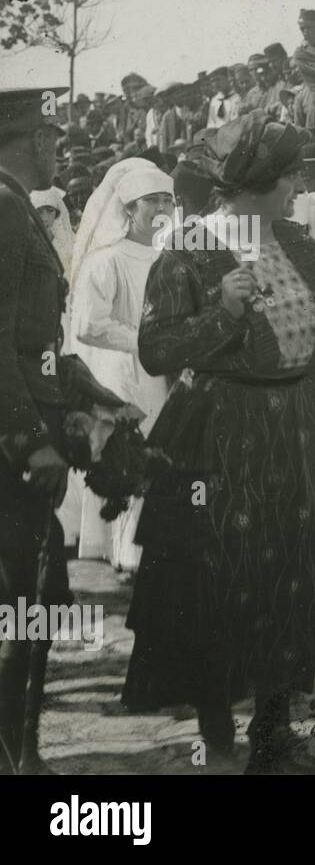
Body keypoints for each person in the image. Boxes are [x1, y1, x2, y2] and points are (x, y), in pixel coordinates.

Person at [122, 110, 315, 774]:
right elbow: (156, 350)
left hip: (305, 427)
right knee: (225, 575)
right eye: (288, 175)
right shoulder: (188, 251)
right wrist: (223, 314)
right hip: (226, 436)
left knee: (298, 571)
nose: (297, 185)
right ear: (255, 183)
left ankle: (274, 725)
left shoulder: (294, 238)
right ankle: (213, 705)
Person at [0, 87, 74, 774]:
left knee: (38, 604)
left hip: (23, 443)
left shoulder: (19, 207)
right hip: (9, 456)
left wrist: (93, 396)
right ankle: (17, 757)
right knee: (20, 606)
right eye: (53, 134)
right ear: (28, 137)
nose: (61, 146)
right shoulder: (2, 208)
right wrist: (30, 439)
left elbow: (38, 344)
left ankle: (24, 752)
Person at [69, 161, 176, 574]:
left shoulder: (174, 255)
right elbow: (89, 325)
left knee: (166, 450)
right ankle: (130, 550)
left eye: (167, 199)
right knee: (133, 454)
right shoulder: (108, 260)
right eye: (152, 201)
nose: (161, 207)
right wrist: (143, 341)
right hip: (127, 371)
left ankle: (160, 544)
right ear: (129, 208)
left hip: (166, 370)